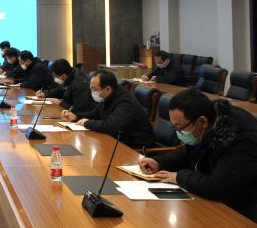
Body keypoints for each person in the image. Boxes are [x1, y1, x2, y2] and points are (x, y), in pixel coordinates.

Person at [139, 89, 257, 222]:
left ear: (202, 122)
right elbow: (188, 151)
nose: (178, 133)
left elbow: (218, 187)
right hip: (210, 200)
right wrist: (159, 162)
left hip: (240, 212)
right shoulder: (209, 123)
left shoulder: (243, 139)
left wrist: (179, 176)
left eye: (179, 128)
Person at [61, 70, 155, 149]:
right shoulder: (108, 95)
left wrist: (87, 123)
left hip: (135, 147)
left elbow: (110, 126)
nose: (92, 93)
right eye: (91, 89)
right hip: (118, 140)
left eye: (94, 90)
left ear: (107, 89)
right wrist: (75, 116)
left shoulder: (125, 102)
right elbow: (95, 114)